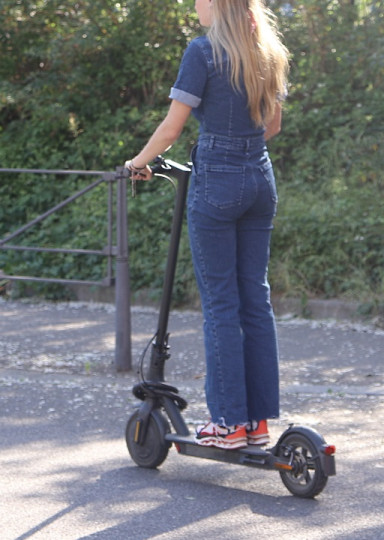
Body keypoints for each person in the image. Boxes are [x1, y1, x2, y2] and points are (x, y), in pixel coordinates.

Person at [125, 0, 290, 450]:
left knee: (220, 304)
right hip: (260, 177)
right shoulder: (268, 51)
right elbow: (271, 125)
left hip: (217, 179)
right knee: (255, 300)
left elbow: (171, 129)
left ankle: (228, 425)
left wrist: (136, 164)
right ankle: (255, 423)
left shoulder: (203, 52)